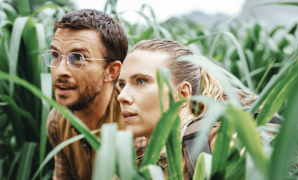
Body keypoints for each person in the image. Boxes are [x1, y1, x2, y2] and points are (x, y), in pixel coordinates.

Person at [117, 39, 280, 179]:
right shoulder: (136, 159)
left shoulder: (222, 145)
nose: (122, 96)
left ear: (182, 93)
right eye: (122, 85)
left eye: (141, 81)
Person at [46, 9, 128, 180]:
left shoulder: (135, 125)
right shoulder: (57, 120)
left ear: (111, 71)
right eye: (55, 55)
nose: (60, 71)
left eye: (77, 58)